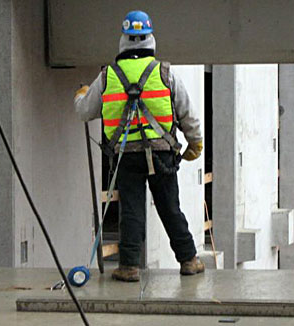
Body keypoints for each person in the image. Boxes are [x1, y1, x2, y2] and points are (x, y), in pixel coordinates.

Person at [74, 10, 204, 282]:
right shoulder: (165, 72)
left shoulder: (108, 75)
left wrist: (82, 95)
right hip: (162, 154)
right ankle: (189, 260)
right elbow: (187, 113)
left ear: (124, 40)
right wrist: (195, 142)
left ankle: (129, 266)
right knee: (170, 206)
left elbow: (85, 112)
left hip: (126, 156)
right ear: (150, 39)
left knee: (131, 209)